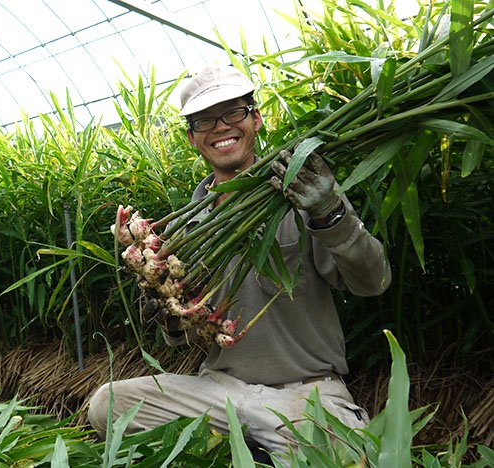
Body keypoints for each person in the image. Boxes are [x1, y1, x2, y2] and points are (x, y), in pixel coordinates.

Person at [87, 64, 392, 460]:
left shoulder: (305, 193)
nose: (221, 127)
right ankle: (253, 442)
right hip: (218, 394)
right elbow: (182, 338)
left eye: (233, 112)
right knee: (106, 403)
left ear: (256, 118)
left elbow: (374, 281)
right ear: (192, 137)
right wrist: (166, 308)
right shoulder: (183, 228)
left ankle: (252, 446)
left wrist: (329, 211)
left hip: (303, 394)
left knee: (349, 455)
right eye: (205, 120)